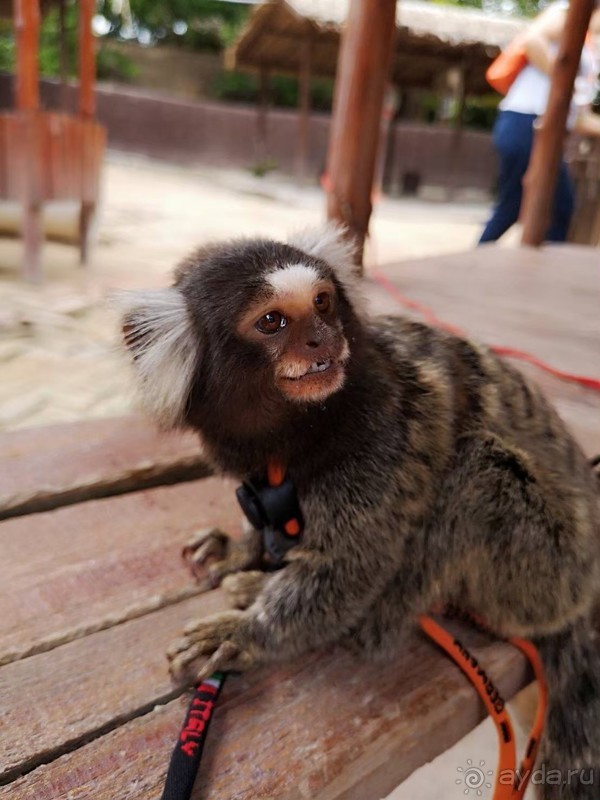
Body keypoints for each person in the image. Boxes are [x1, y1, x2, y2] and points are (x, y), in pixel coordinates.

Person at [479, 1, 600, 244]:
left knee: (533, 207)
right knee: (548, 207)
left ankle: (479, 260)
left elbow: (576, 118)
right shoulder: (568, 13)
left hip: (543, 130)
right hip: (525, 123)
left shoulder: (588, 48)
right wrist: (563, 82)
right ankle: (474, 262)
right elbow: (533, 40)